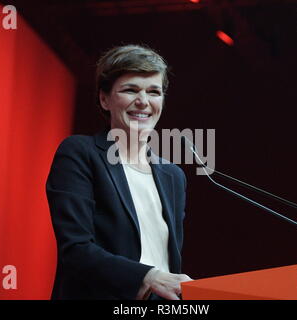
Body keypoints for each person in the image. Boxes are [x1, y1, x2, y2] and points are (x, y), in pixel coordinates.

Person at [46, 44, 192, 300]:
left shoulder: (173, 176)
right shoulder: (80, 153)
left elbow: (166, 263)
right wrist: (149, 277)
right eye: (130, 90)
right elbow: (76, 249)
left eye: (154, 92)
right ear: (105, 99)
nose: (143, 102)